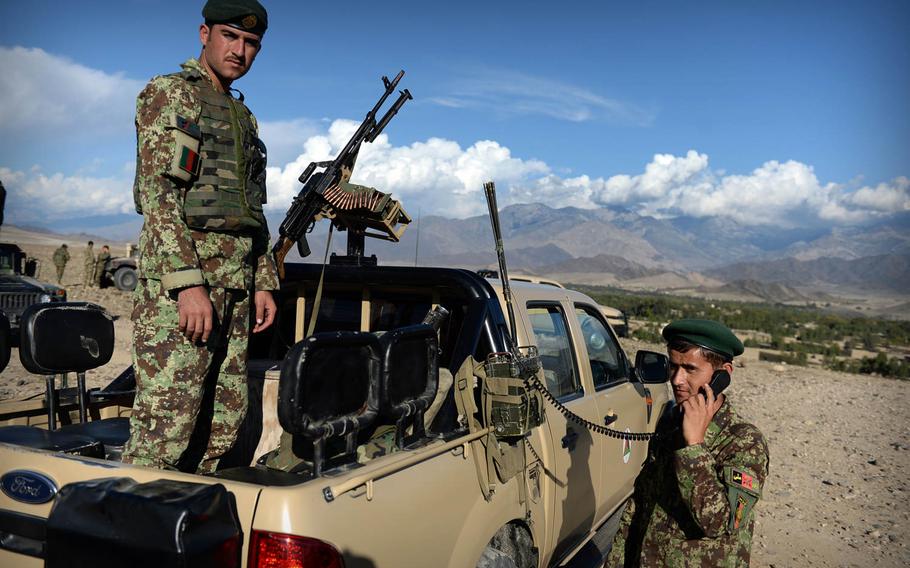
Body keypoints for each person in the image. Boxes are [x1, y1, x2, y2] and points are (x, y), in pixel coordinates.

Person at [122, 0, 279, 473]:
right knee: (166, 427)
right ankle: (129, 527)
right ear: (204, 33)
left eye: (251, 43)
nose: (240, 50)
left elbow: (252, 208)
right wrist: (188, 283)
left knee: (222, 425)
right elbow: (159, 193)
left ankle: (184, 530)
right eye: (230, 36)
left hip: (235, 286)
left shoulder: (242, 116)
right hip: (185, 291)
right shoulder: (170, 94)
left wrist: (264, 279)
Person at [606, 319, 769, 567]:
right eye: (673, 366)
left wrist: (694, 446)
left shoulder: (744, 441)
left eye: (690, 369)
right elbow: (641, 505)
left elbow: (721, 522)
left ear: (723, 374)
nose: (677, 379)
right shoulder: (671, 422)